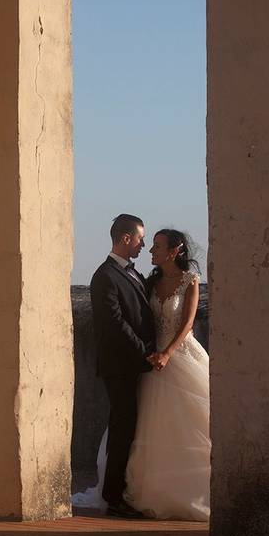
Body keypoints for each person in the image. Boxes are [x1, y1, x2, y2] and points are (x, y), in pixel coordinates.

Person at [124, 228, 210, 521]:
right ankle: (156, 490)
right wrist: (151, 352)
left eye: (157, 246)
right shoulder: (151, 282)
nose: (151, 251)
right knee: (153, 423)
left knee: (191, 422)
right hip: (153, 358)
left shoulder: (190, 281)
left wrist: (168, 353)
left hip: (180, 353)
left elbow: (187, 324)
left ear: (175, 250)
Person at [85, 214, 156, 519]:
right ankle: (113, 496)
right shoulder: (105, 276)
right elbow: (114, 323)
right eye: (140, 238)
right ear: (126, 238)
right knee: (122, 428)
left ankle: (120, 490)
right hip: (120, 365)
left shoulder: (132, 273)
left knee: (129, 426)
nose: (143, 244)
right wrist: (144, 353)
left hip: (135, 363)